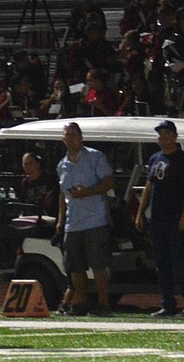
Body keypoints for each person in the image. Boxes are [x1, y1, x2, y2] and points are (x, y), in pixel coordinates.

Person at [134, 120, 184, 317]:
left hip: (174, 217)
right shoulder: (155, 158)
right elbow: (149, 187)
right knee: (161, 263)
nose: (163, 139)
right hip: (157, 218)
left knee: (181, 262)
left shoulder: (183, 159)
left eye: (166, 135)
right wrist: (140, 212)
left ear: (174, 137)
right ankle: (167, 303)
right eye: (160, 136)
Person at [54, 122, 115, 316]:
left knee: (98, 264)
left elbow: (109, 181)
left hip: (95, 219)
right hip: (73, 222)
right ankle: (81, 302)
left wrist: (88, 192)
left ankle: (103, 303)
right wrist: (60, 220)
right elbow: (62, 195)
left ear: (81, 137)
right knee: (75, 266)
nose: (69, 138)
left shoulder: (95, 157)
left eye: (72, 135)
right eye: (66, 135)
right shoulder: (62, 165)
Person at [19, 152, 59, 217]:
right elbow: (24, 203)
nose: (28, 166)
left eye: (31, 163)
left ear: (38, 164)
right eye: (25, 164)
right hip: (32, 215)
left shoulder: (50, 178)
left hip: (49, 215)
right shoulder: (24, 183)